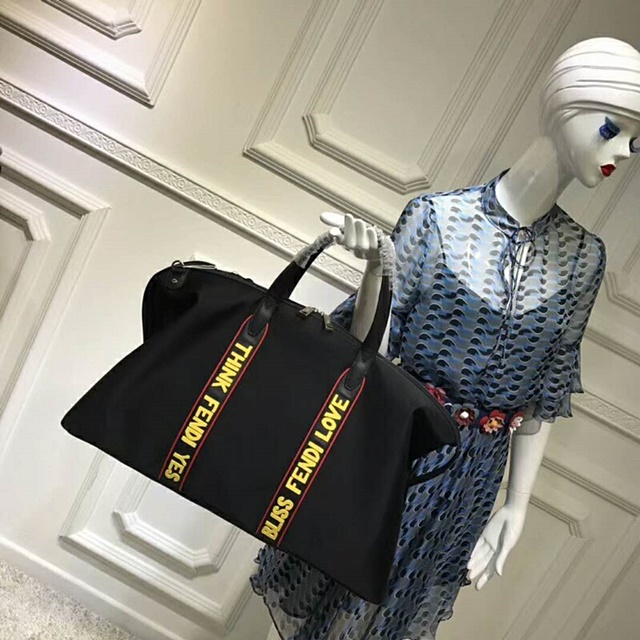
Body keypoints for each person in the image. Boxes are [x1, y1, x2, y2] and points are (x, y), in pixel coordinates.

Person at [252, 37, 640, 640]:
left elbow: (542, 398)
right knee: (331, 602)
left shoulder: (585, 259)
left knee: (393, 619)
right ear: (564, 106)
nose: (623, 154)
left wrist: (516, 504)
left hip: (473, 478)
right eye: (612, 129)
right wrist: (376, 272)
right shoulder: (437, 219)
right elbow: (370, 353)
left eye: (636, 142)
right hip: (395, 445)